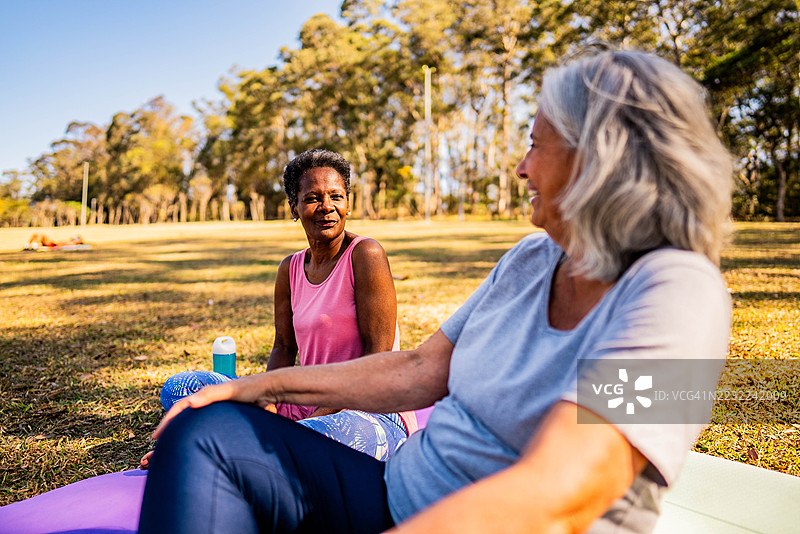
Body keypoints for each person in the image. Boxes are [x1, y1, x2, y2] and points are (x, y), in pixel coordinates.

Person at [138, 49, 733, 534]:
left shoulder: (681, 295)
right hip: (399, 490)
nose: (522, 168)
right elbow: (421, 367)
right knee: (206, 428)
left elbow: (566, 488)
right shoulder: (533, 258)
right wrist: (250, 389)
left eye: (536, 146)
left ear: (598, 157)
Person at [142, 148, 419, 467]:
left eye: (336, 196)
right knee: (183, 388)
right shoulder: (289, 269)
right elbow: (285, 348)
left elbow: (380, 358)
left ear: (348, 204)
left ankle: (211, 451)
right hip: (303, 402)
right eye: (313, 198)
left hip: (368, 411)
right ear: (294, 206)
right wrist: (268, 402)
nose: (326, 207)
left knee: (318, 436)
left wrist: (319, 415)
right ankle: (252, 446)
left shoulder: (366, 255)